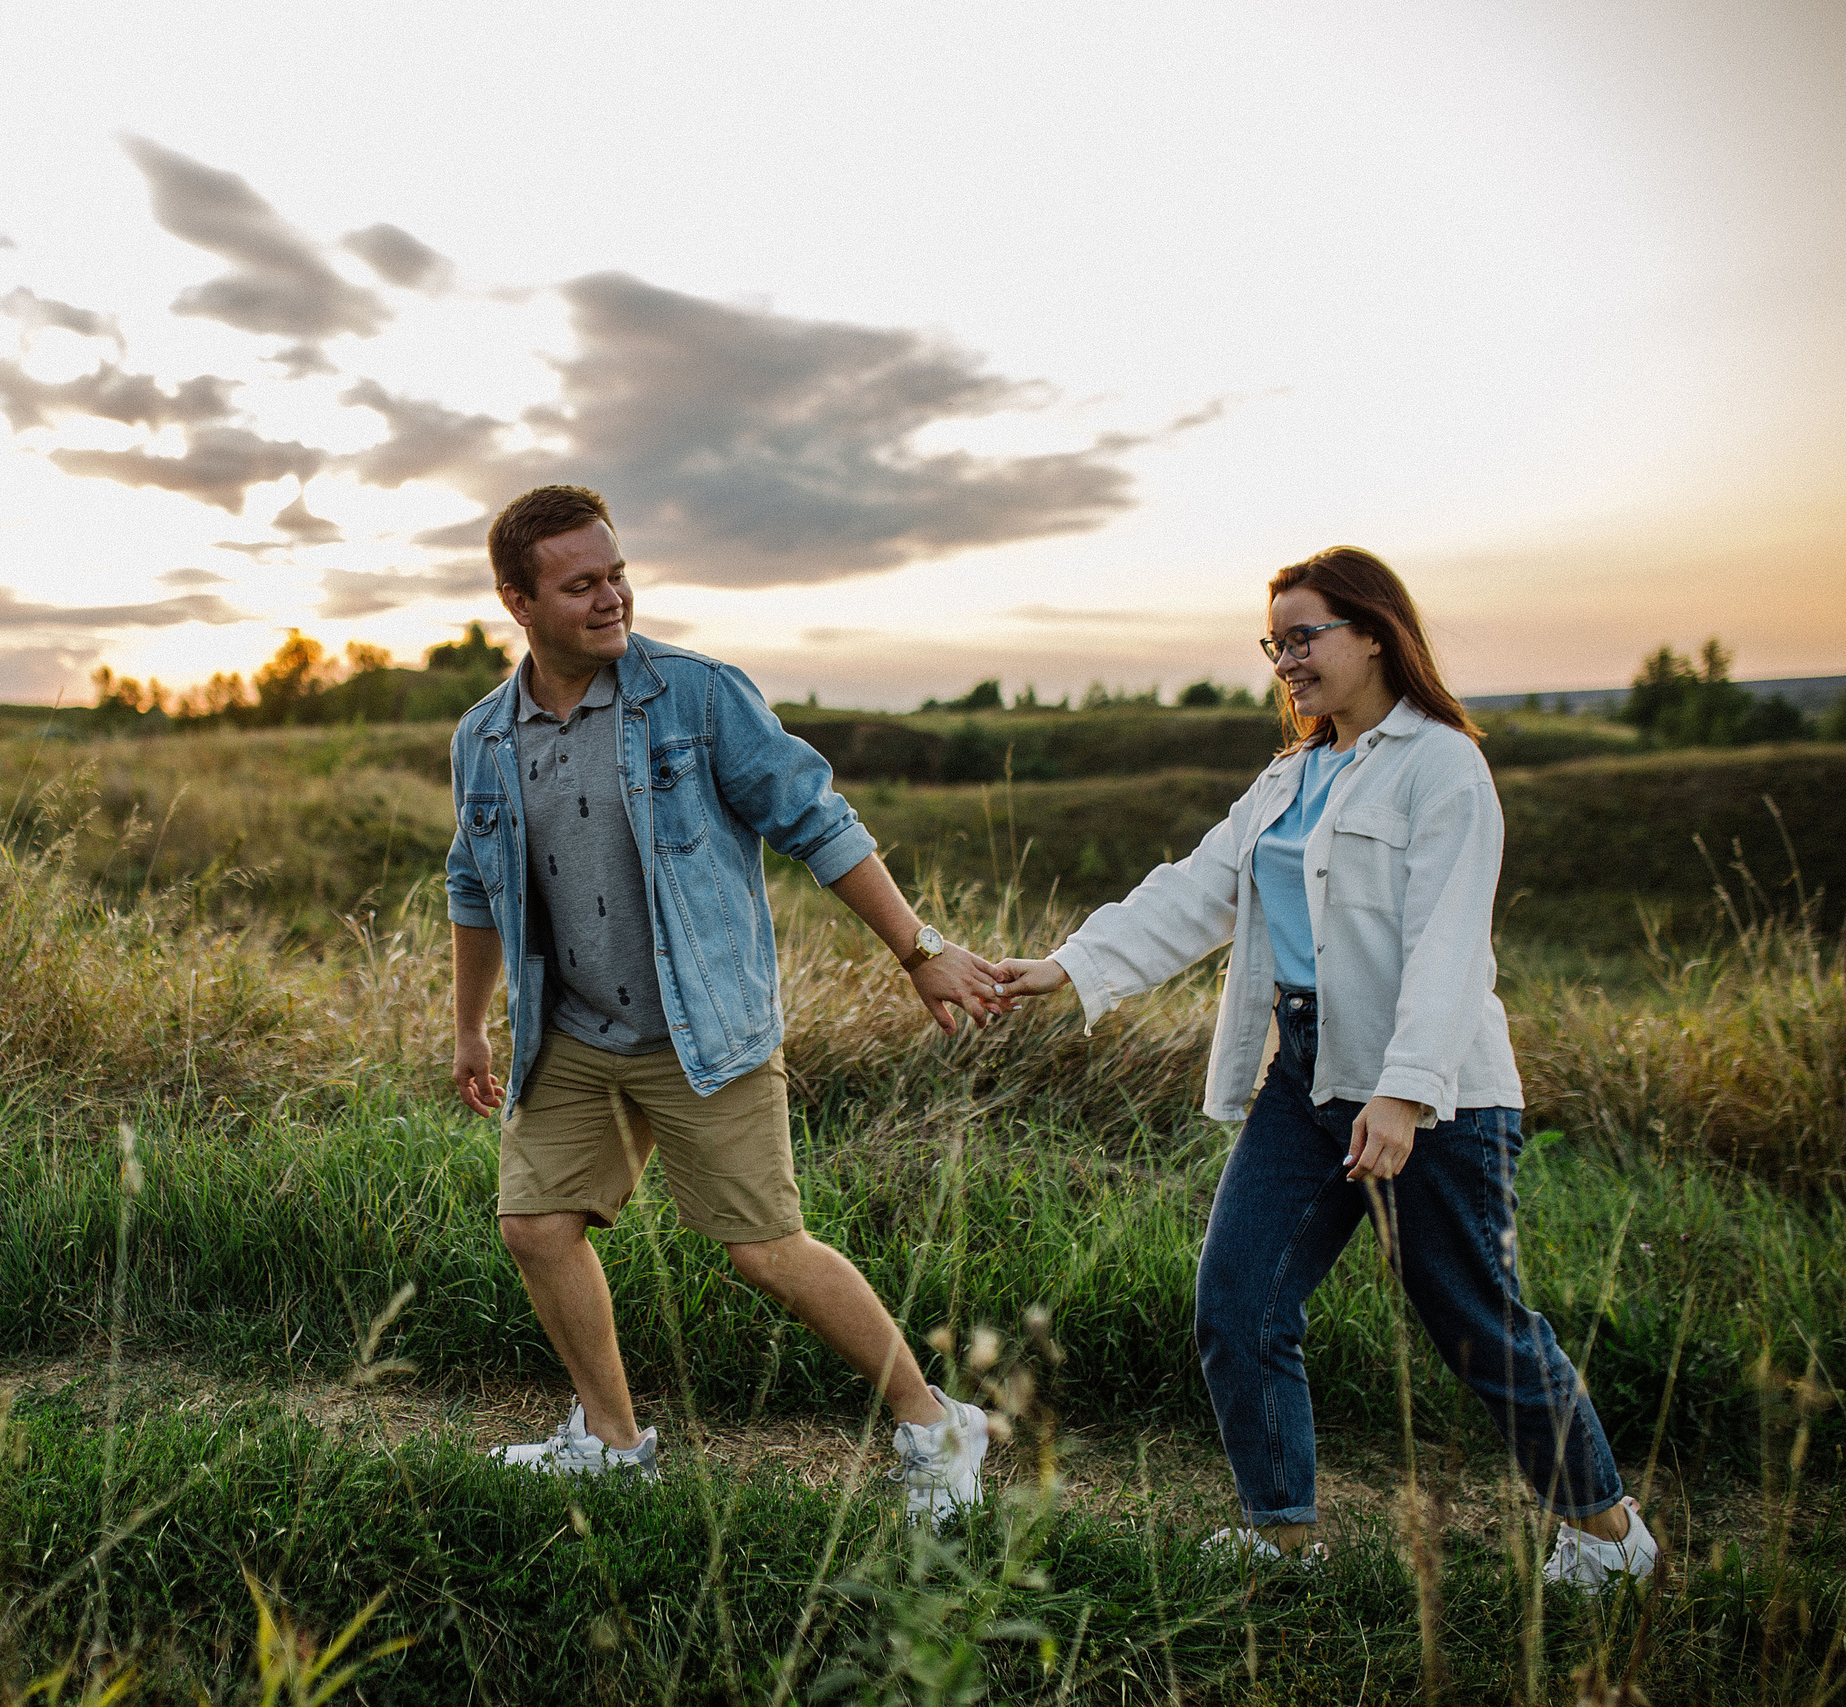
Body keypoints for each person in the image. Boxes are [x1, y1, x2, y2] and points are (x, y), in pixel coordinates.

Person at [986, 546, 1657, 1587]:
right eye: (1275, 644)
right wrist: (1066, 966)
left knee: (1474, 1321)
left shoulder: (1441, 765)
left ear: (1374, 634)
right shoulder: (1288, 776)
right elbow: (1193, 890)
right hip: (1302, 1076)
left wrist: (1401, 1094)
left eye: (1303, 637)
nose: (1285, 661)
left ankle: (1609, 1536)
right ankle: (1283, 1539)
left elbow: (1449, 947)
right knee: (1237, 1300)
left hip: (1433, 1091)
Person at [446, 484, 1007, 1521]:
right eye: (581, 585)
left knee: (766, 1250)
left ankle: (936, 1422)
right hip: (569, 1032)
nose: (612, 597)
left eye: (617, 574)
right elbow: (473, 885)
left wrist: (918, 949)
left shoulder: (698, 697)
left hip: (701, 1028)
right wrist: (472, 1024)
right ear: (517, 602)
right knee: (535, 1228)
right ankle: (612, 1444)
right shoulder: (483, 736)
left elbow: (816, 821)